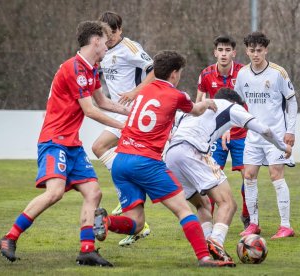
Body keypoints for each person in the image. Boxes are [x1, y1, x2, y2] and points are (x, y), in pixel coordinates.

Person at [0, 21, 130, 267]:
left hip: (71, 144)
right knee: (55, 192)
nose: (108, 43)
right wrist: (124, 127)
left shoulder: (91, 68)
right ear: (95, 41)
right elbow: (90, 110)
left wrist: (129, 113)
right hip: (54, 140)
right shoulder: (75, 68)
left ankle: (87, 250)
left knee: (94, 192)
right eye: (105, 39)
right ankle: (9, 237)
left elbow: (103, 101)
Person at [94, 50, 235, 267]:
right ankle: (204, 258)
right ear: (174, 74)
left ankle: (107, 221)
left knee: (137, 222)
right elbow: (195, 111)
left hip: (121, 160)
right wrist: (206, 103)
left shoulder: (142, 91)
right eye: (179, 73)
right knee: (184, 209)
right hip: (146, 162)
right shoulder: (177, 95)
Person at [165, 88, 292, 262]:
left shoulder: (197, 107)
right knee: (228, 204)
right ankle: (216, 241)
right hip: (193, 151)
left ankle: (207, 245)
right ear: (236, 102)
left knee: (202, 205)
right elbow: (264, 130)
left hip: (171, 155)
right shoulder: (231, 107)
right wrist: (283, 147)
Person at [92, 11, 155, 246]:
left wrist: (135, 92)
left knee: (102, 148)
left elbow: (155, 68)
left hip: (134, 112)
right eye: (103, 34)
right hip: (117, 111)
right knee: (109, 152)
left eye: (111, 33)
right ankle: (137, 220)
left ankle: (131, 200)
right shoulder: (103, 52)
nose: (107, 38)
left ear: (119, 30)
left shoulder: (129, 47)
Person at [234, 31, 298, 239]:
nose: (255, 54)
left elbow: (291, 101)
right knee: (249, 176)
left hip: (276, 137)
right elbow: (237, 103)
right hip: (253, 137)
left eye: (259, 50)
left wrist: (290, 130)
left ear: (266, 50)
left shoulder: (278, 72)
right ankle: (253, 224)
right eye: (252, 51)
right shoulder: (242, 74)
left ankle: (286, 226)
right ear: (246, 51)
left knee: (275, 175)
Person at [196, 35, 250, 229]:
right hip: (216, 136)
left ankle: (248, 215)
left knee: (248, 176)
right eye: (220, 50)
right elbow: (199, 104)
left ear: (234, 53)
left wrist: (232, 126)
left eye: (228, 50)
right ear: (215, 52)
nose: (224, 54)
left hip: (241, 134)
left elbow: (247, 106)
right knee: (208, 176)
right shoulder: (206, 74)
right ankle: (207, 219)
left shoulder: (244, 73)